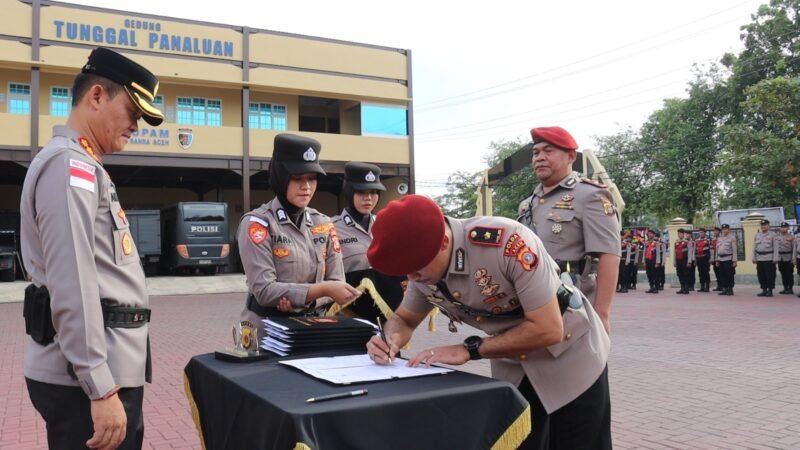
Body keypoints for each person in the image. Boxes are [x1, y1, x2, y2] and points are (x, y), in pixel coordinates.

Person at [366, 195, 611, 450]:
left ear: (444, 243)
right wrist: (389, 339)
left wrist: (469, 350)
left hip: (570, 354)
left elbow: (548, 329)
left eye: (416, 269)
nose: (412, 278)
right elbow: (404, 319)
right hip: (514, 362)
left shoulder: (507, 242)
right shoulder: (423, 268)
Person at [20, 47, 163, 450]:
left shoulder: (84, 165)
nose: (136, 125)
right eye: (132, 112)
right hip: (86, 383)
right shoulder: (71, 167)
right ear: (97, 96)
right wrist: (98, 385)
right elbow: (73, 282)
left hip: (98, 373)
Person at [238, 134, 360, 337]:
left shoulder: (323, 224)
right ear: (281, 177)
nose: (306, 186)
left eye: (312, 178)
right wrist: (323, 290)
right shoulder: (258, 224)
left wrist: (305, 299)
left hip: (313, 328)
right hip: (266, 331)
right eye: (297, 178)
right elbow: (264, 291)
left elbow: (337, 282)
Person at [517, 126, 620, 332]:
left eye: (548, 151)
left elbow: (609, 255)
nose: (540, 158)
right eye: (536, 153)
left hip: (574, 304)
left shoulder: (590, 196)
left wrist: (601, 314)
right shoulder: (527, 205)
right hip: (532, 305)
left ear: (571, 156)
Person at [331, 162, 405, 323]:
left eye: (373, 192)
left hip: (387, 314)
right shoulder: (331, 228)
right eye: (361, 192)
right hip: (347, 314)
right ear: (349, 192)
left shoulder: (387, 225)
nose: (368, 198)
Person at [752, 219, 778, 297]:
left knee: (770, 275)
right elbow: (754, 247)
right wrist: (754, 257)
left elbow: (776, 247)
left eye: (765, 225)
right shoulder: (757, 235)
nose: (763, 226)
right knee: (761, 275)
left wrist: (775, 258)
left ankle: (770, 290)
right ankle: (764, 290)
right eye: (762, 225)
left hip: (769, 258)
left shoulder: (773, 235)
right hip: (759, 258)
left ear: (768, 225)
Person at [715, 224, 737, 296]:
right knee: (722, 275)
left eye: (726, 229)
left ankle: (730, 289)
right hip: (720, 259)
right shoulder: (719, 238)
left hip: (728, 259)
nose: (724, 230)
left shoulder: (732, 238)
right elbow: (717, 250)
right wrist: (717, 260)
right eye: (723, 229)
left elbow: (734, 250)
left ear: (729, 230)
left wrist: (734, 261)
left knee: (729, 275)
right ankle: (724, 288)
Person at [776, 222, 795, 294]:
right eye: (782, 227)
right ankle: (785, 288)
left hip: (788, 257)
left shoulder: (792, 237)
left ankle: (790, 288)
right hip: (780, 258)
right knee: (783, 273)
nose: (783, 228)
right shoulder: (777, 237)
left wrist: (793, 258)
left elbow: (794, 248)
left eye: (785, 227)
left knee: (789, 273)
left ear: (788, 228)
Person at [673, 229, 694, 294]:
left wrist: (689, 262)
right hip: (678, 260)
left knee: (686, 274)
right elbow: (675, 252)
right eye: (678, 234)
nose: (679, 235)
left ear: (683, 234)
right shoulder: (676, 242)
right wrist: (674, 262)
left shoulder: (687, 242)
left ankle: (686, 288)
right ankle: (682, 287)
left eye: (680, 233)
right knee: (679, 274)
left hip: (685, 260)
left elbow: (690, 252)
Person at [644, 229, 664, 294]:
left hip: (654, 260)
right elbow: (644, 252)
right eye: (648, 234)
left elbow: (658, 253)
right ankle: (651, 287)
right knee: (649, 274)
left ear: (654, 235)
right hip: (648, 260)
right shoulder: (646, 243)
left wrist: (657, 262)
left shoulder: (656, 243)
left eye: (651, 234)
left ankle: (656, 288)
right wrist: (644, 261)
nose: (649, 235)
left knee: (655, 275)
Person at [710, 226, 722, 291]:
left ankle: (723, 286)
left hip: (720, 258)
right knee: (716, 272)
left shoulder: (721, 239)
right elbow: (711, 250)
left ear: (719, 232)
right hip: (714, 258)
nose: (715, 232)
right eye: (714, 231)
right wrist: (711, 259)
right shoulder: (713, 240)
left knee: (721, 272)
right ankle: (719, 286)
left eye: (716, 231)